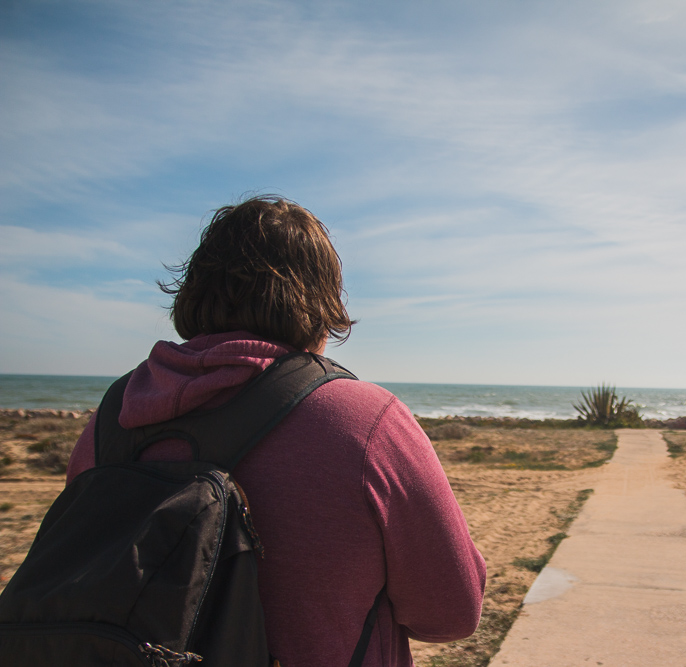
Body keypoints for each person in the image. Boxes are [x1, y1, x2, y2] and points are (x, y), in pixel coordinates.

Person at [65, 196, 486, 667]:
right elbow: (451, 613)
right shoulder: (365, 421)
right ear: (322, 301)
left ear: (193, 291)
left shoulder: (114, 417)